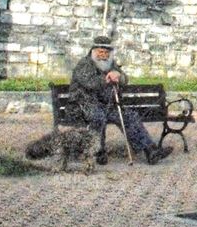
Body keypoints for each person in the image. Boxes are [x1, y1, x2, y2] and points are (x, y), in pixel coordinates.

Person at [70, 36, 172, 165]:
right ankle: (98, 151)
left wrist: (119, 76)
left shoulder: (111, 65)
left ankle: (151, 151)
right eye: (100, 52)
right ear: (93, 52)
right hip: (83, 104)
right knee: (98, 116)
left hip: (106, 105)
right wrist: (106, 79)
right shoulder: (84, 64)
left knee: (129, 116)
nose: (103, 55)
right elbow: (89, 83)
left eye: (106, 53)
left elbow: (124, 79)